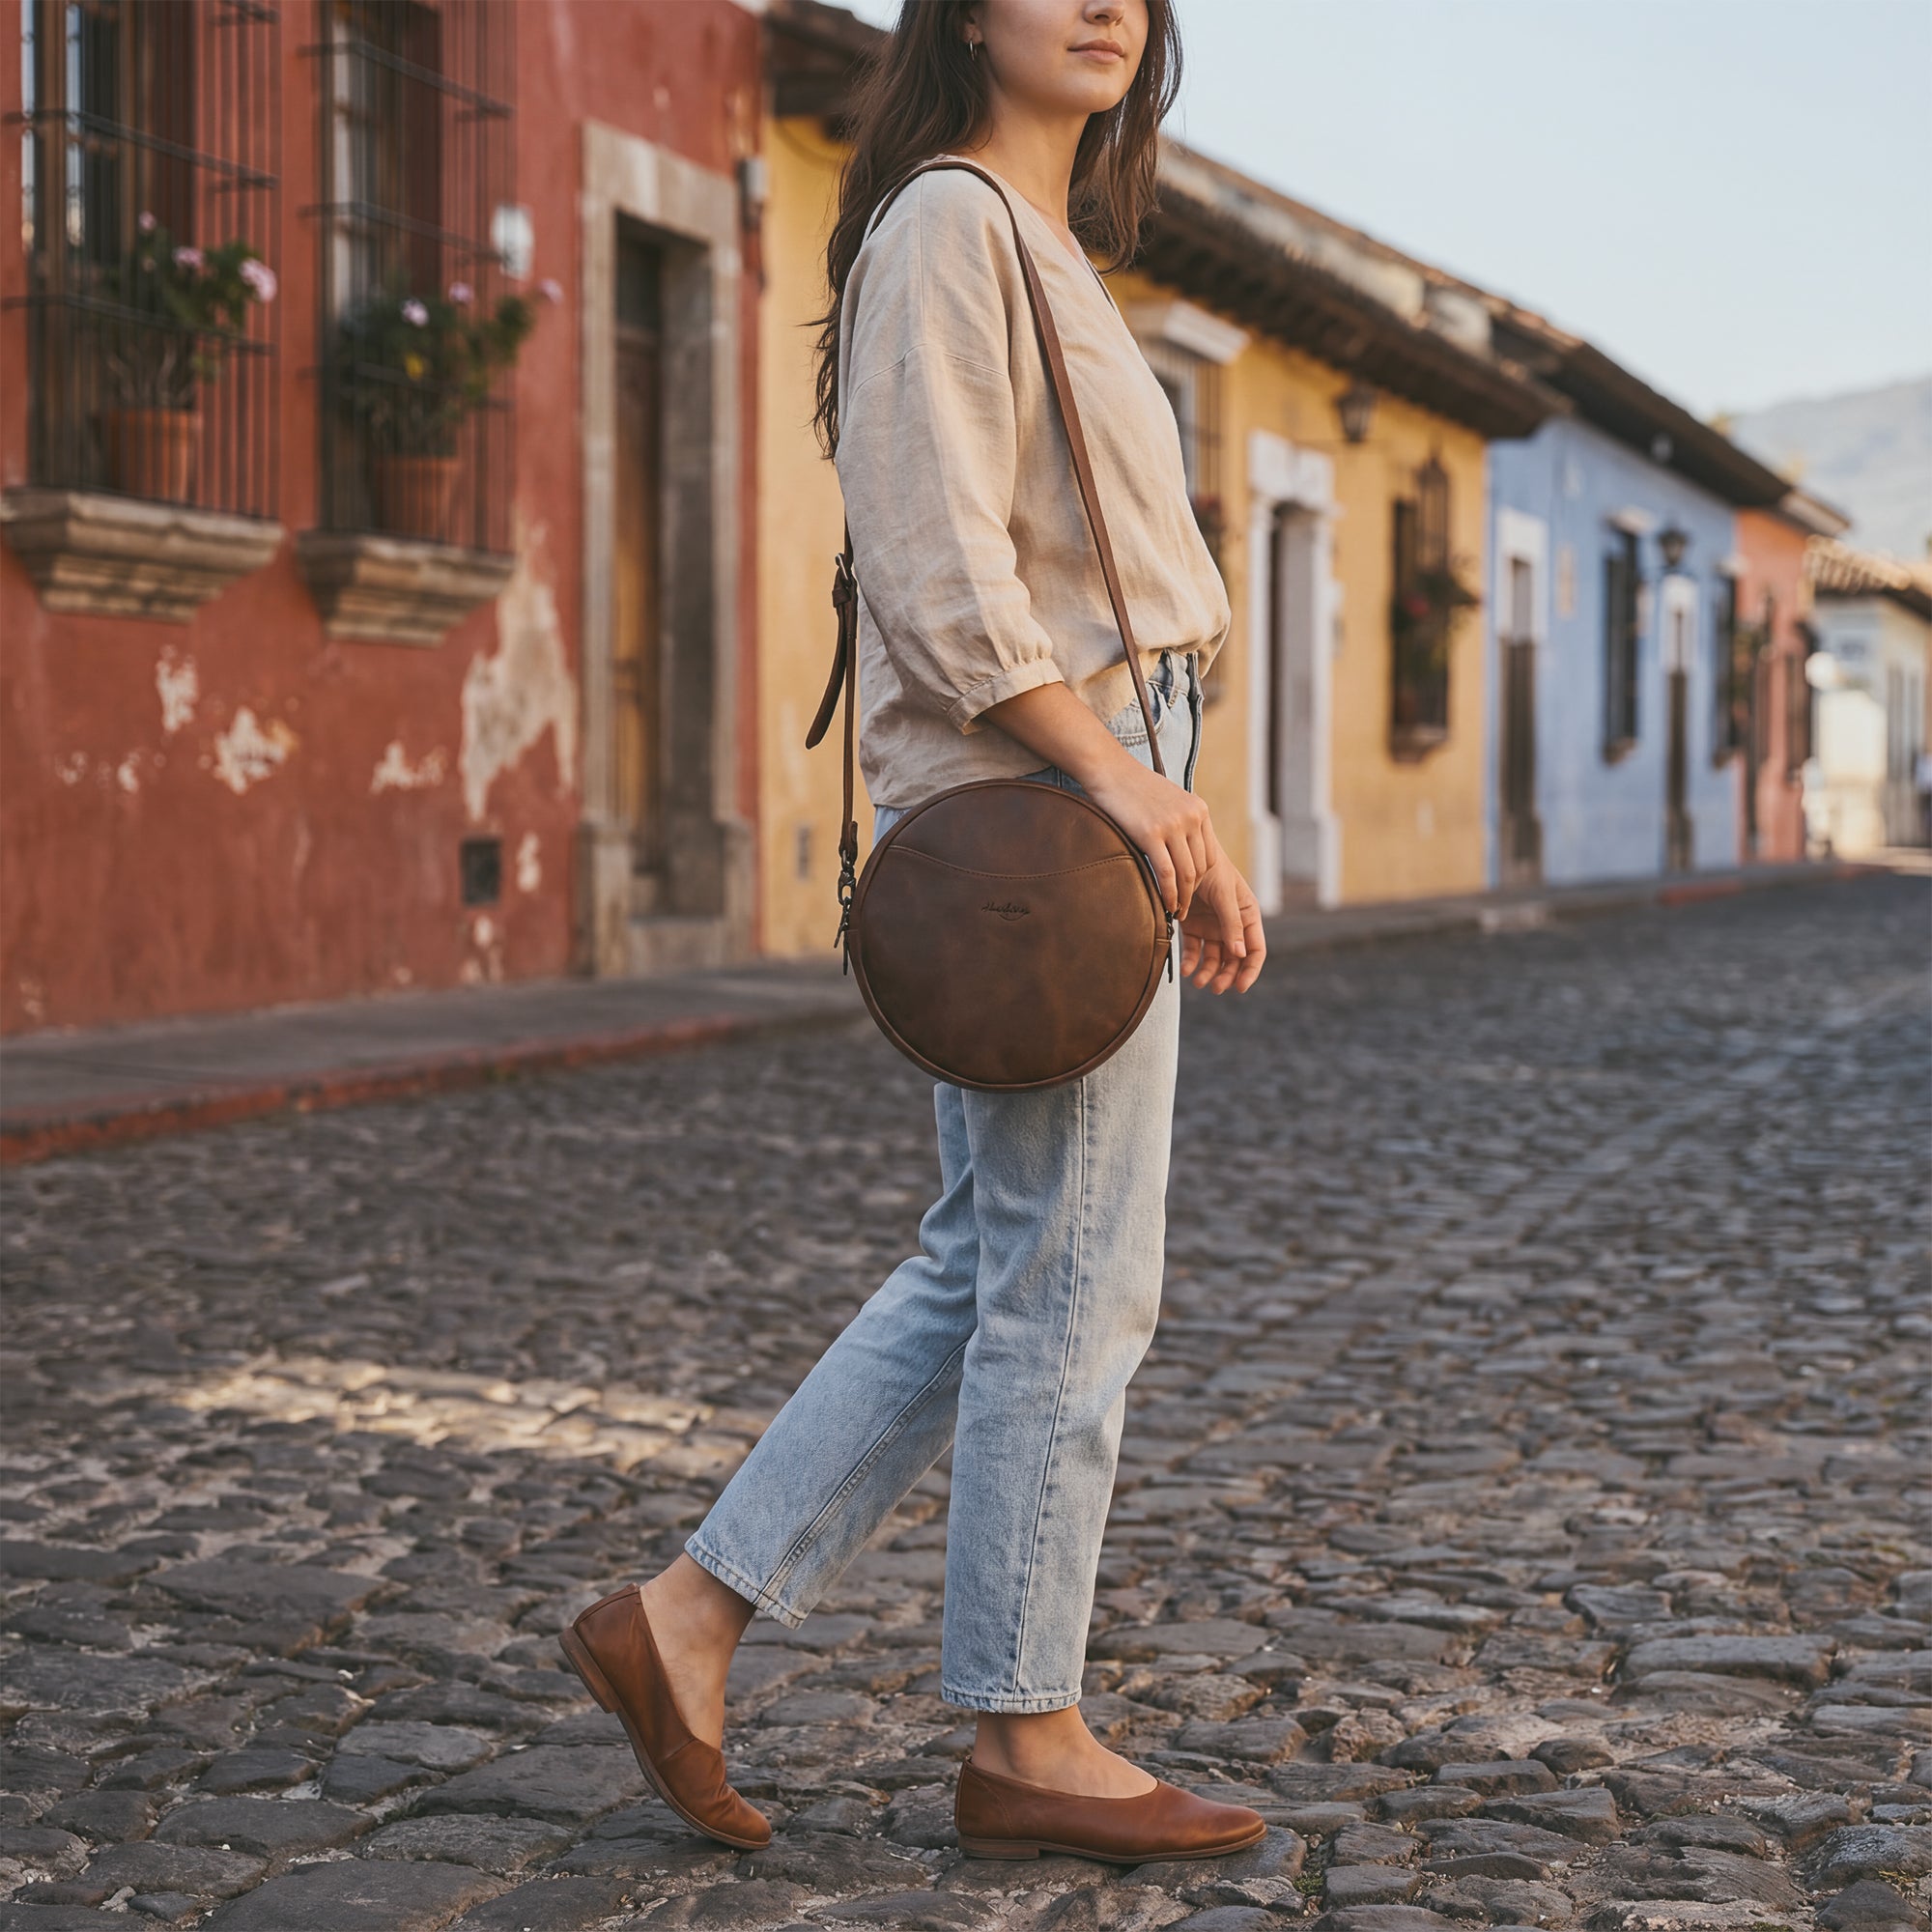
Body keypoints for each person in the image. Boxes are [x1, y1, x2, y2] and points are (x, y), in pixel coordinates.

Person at [557, 0, 1268, 1864]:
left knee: (992, 1257)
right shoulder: (951, 224)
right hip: (1045, 792)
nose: (1106, 1)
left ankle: (688, 1622)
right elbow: (949, 576)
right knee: (1070, 1278)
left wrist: (1187, 810)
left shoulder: (1037, 246)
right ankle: (1026, 1735)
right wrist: (1125, 786)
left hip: (1100, 783)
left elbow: (1093, 582)